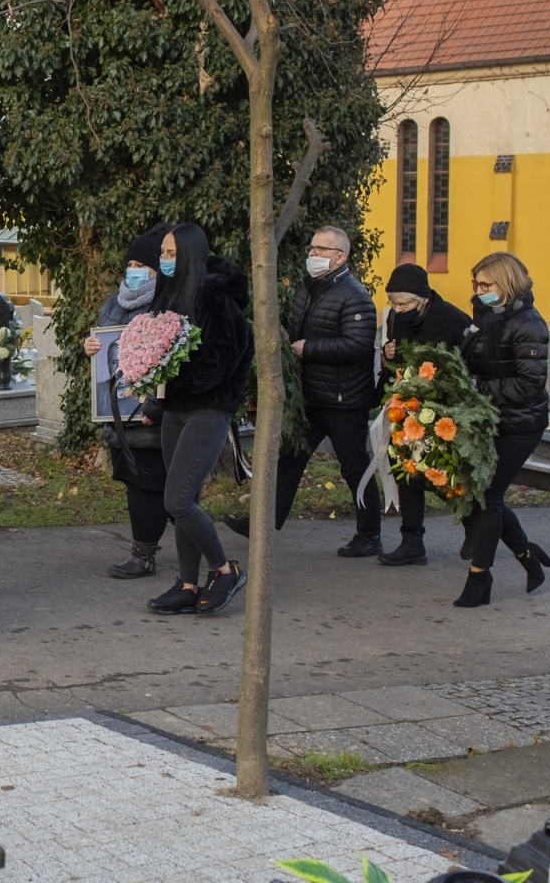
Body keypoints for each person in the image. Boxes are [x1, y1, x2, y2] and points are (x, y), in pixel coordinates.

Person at [223, 226, 381, 557]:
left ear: (341, 257)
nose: (312, 255)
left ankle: (370, 535)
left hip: (344, 400)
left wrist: (309, 349)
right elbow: (295, 332)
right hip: (310, 397)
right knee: (289, 461)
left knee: (354, 466)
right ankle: (263, 525)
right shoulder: (308, 289)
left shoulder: (355, 296)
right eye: (312, 249)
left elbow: (359, 343)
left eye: (321, 250)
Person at [144, 223, 254, 616]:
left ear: (190, 254)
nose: (164, 260)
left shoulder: (216, 299)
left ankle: (224, 570)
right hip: (176, 410)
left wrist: (172, 371)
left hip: (209, 410)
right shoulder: (169, 295)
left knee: (177, 499)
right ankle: (188, 584)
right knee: (184, 500)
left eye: (172, 254)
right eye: (163, 253)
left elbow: (225, 359)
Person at [453, 252, 550, 607]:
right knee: (481, 494)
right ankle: (528, 557)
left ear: (506, 284)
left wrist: (475, 388)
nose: (479, 291)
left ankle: (479, 578)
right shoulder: (486, 316)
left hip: (521, 424)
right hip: (491, 419)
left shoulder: (529, 324)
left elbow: (530, 385)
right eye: (476, 284)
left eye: (486, 285)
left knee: (487, 496)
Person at [82, 225, 171, 578]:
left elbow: (171, 359)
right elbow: (105, 347)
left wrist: (156, 406)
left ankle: (144, 554)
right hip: (117, 411)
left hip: (148, 413)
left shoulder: (166, 303)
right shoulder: (114, 302)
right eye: (130, 262)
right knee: (151, 487)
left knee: (149, 484)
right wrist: (90, 348)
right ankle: (192, 545)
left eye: (142, 263)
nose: (133, 269)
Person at [375, 263, 472, 567]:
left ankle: (475, 533)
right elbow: (397, 356)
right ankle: (411, 541)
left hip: (445, 411)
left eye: (404, 303)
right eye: (393, 303)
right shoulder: (395, 316)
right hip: (408, 407)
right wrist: (389, 355)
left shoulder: (453, 320)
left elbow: (467, 366)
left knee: (447, 475)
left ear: (424, 298)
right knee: (408, 473)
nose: (398, 309)